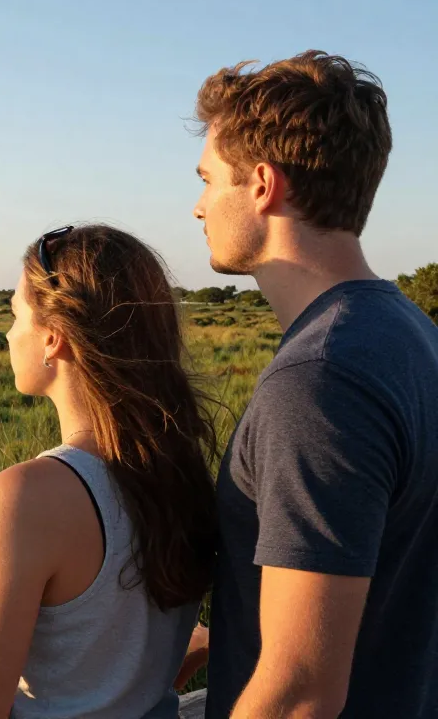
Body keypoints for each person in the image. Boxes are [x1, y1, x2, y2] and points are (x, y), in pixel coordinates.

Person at [180, 50, 438, 718]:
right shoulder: (410, 334)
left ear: (262, 185)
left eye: (209, 180)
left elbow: (300, 694)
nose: (198, 206)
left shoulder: (321, 383)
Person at [0, 224, 218, 719]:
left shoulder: (29, 496)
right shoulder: (180, 472)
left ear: (53, 337)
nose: (8, 333)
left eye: (15, 314)